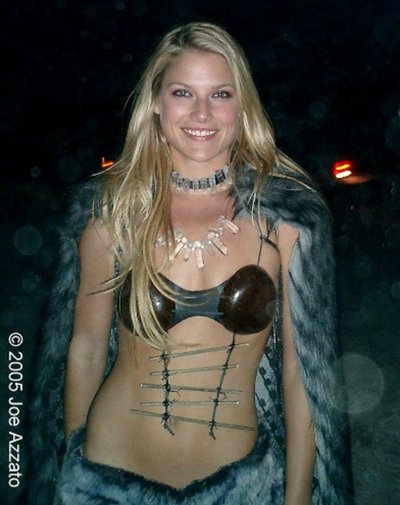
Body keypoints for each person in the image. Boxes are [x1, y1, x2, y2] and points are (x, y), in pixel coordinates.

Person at [28, 22, 352, 505]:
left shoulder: (285, 219)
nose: (202, 113)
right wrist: (72, 473)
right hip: (108, 478)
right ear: (155, 103)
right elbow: (86, 349)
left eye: (220, 94)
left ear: (243, 106)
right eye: (183, 92)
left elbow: (302, 373)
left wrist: (297, 497)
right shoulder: (113, 213)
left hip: (241, 486)